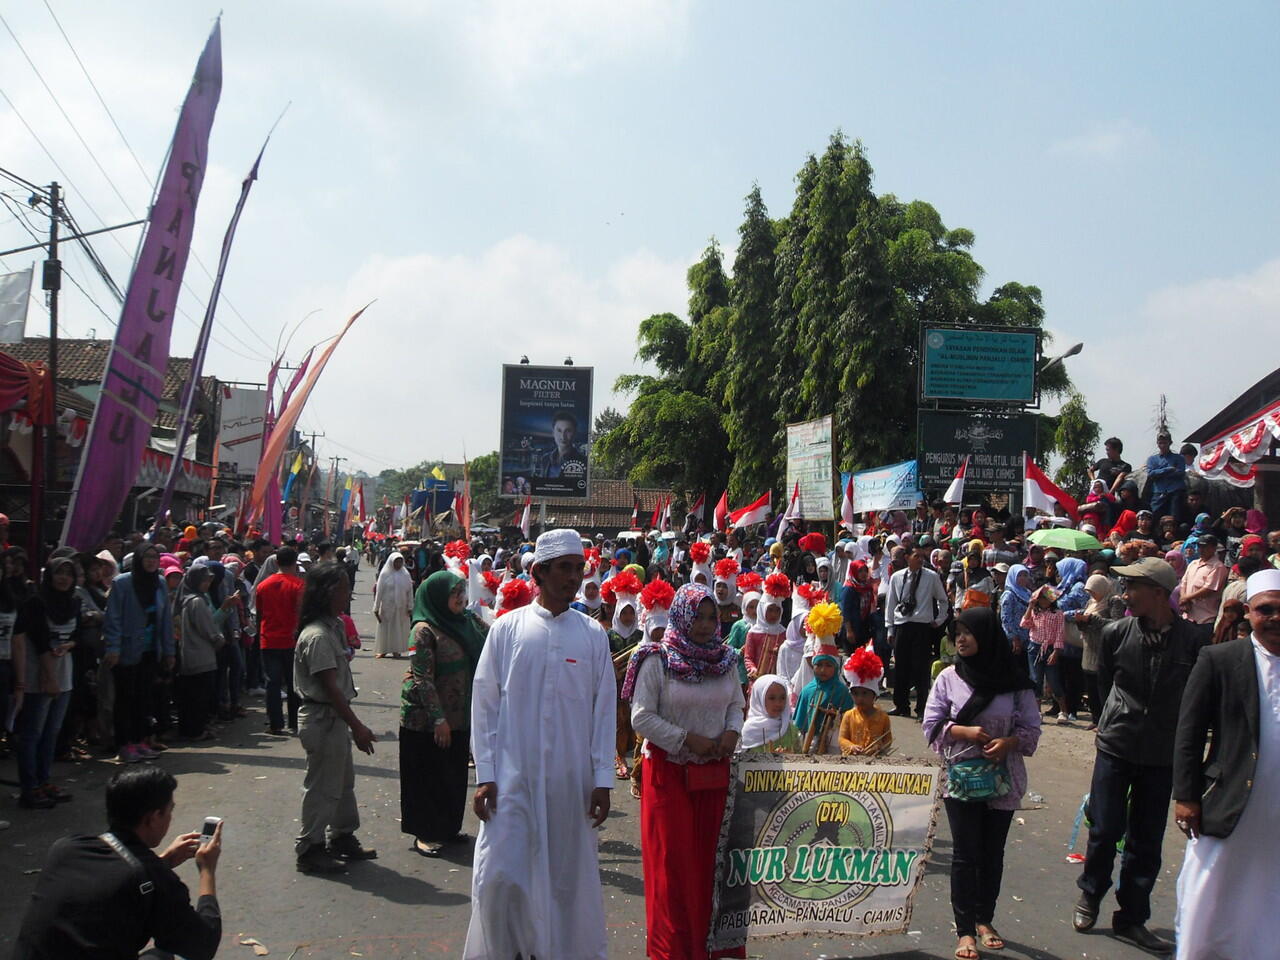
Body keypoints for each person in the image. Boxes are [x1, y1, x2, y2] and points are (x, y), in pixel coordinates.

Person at [464, 529, 615, 960]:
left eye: (578, 569)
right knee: (501, 877)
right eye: (564, 568)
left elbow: (603, 712)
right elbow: (486, 702)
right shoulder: (508, 629)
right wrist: (486, 774)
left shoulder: (591, 634)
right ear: (539, 572)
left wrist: (601, 778)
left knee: (566, 880)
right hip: (513, 778)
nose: (573, 578)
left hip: (571, 782)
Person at [1073, 557, 1207, 954]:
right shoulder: (1116, 633)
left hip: (1163, 752)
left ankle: (1132, 917)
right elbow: (1107, 683)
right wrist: (1112, 720)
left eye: (1133, 588)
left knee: (1146, 839)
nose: (1125, 594)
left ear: (1159, 594)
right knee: (1105, 827)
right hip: (1117, 744)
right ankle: (1091, 893)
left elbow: (1197, 698)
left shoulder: (1194, 641)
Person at [625, 581, 745, 960]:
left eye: (712, 617)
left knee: (716, 868)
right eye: (699, 616)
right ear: (681, 615)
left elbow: (736, 704)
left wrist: (731, 732)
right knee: (674, 873)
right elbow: (641, 718)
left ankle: (714, 951)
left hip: (716, 776)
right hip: (669, 775)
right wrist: (685, 739)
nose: (707, 624)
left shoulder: (725, 658)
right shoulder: (656, 659)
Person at [1172, 568, 1280, 958]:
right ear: (1248, 613)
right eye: (1266, 610)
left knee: (1269, 894)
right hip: (1230, 798)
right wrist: (1186, 796)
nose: (1275, 618)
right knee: (1211, 890)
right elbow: (1189, 732)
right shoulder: (1220, 658)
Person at [923, 606, 1040, 960]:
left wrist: (1008, 744)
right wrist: (964, 731)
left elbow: (1032, 729)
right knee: (965, 854)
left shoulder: (1016, 681)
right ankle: (965, 931)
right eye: (957, 632)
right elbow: (931, 725)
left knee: (992, 854)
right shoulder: (947, 678)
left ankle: (985, 919)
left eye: (968, 632)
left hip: (1002, 779)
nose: (960, 638)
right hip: (961, 780)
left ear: (986, 636)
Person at [13, 763, 222, 960]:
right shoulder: (154, 879)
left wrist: (162, 861)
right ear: (153, 817)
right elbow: (204, 945)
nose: (170, 818)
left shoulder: (66, 848)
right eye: (169, 811)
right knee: (162, 956)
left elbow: (111, 882)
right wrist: (207, 870)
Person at [293, 562, 379, 874]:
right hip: (323, 718)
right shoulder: (317, 636)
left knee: (343, 783)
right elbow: (330, 688)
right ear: (330, 592)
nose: (348, 593)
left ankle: (342, 836)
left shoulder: (335, 626)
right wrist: (358, 726)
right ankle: (310, 847)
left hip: (334, 719)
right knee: (322, 786)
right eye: (343, 587)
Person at [401, 570, 487, 857]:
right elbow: (422, 679)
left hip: (460, 713)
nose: (460, 598)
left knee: (452, 773)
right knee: (427, 774)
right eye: (454, 594)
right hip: (426, 719)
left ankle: (449, 827)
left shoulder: (467, 622)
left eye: (461, 592)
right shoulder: (424, 630)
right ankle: (425, 833)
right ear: (438, 596)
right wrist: (438, 719)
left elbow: (495, 638)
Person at [14, 557, 80, 807]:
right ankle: (29, 788)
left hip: (64, 675)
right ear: (49, 575)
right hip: (39, 677)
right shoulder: (36, 603)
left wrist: (70, 644)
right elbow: (39, 641)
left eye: (68, 573)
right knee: (33, 733)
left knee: (51, 733)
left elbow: (78, 634)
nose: (63, 578)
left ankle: (44, 781)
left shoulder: (73, 602)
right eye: (59, 573)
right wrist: (49, 678)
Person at [102, 543, 174, 764]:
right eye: (147, 557)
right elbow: (112, 617)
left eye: (155, 557)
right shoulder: (122, 583)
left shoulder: (159, 583)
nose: (151, 561)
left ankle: (141, 740)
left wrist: (169, 651)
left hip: (151, 650)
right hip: (126, 650)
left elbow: (166, 620)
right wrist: (113, 648)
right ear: (138, 560)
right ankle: (124, 745)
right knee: (125, 699)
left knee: (144, 698)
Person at [884, 544, 949, 718]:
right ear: (907, 557)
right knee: (901, 667)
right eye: (916, 556)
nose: (920, 559)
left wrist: (939, 619)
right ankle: (901, 705)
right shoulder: (897, 577)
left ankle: (922, 708)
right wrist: (890, 629)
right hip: (902, 625)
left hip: (922, 626)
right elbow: (890, 604)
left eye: (922, 556)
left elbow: (943, 600)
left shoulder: (931, 577)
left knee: (920, 669)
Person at [176, 566, 237, 741]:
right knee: (198, 696)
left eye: (209, 580)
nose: (207, 584)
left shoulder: (190, 599)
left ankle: (192, 728)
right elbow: (208, 628)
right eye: (204, 580)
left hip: (192, 653)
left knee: (193, 695)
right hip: (200, 654)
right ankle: (196, 730)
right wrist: (219, 639)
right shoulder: (197, 601)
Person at [254, 547, 304, 736]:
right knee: (293, 683)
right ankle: (294, 722)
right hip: (291, 640)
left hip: (268, 639)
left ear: (276, 563)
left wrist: (260, 634)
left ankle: (275, 723)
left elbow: (259, 614)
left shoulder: (263, 585)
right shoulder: (298, 585)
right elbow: (301, 613)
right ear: (295, 562)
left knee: (272, 683)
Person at [793, 645, 853, 754]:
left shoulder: (843, 691)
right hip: (810, 741)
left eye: (828, 665)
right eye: (818, 665)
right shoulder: (807, 691)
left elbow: (850, 719)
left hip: (834, 740)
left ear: (835, 668)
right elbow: (800, 723)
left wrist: (837, 716)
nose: (822, 670)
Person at [838, 648, 891, 755]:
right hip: (852, 760)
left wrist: (880, 746)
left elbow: (888, 739)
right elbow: (842, 739)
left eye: (865, 693)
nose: (860, 698)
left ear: (874, 695)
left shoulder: (883, 717)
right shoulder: (849, 715)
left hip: (875, 761)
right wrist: (851, 746)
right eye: (856, 694)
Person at [737, 674, 801, 753]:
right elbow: (740, 762)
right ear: (759, 699)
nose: (778, 703)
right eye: (772, 698)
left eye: (783, 698)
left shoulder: (790, 730)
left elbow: (800, 759)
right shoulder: (748, 731)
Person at [1179, 535, 1227, 625]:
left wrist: (1186, 598)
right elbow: (1183, 583)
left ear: (1213, 548)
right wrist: (1183, 598)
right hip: (1187, 616)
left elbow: (1208, 590)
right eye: (1199, 546)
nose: (1201, 549)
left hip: (1205, 618)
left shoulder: (1218, 566)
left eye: (1205, 547)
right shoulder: (1193, 563)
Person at [373, 552, 413, 658]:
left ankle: (396, 650)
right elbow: (379, 591)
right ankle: (383, 650)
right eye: (396, 561)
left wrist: (410, 607)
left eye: (400, 561)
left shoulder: (405, 574)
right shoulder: (384, 574)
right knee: (385, 628)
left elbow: (410, 591)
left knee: (398, 630)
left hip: (401, 607)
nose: (399, 564)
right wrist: (376, 608)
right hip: (387, 606)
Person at [534, 409, 587, 478]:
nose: (563, 436)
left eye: (568, 431)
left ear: (574, 433)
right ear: (553, 432)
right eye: (559, 430)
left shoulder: (583, 461)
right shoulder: (545, 458)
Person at [1145, 432, 1186, 522]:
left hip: (1174, 491)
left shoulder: (1179, 458)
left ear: (1170, 443)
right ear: (1157, 443)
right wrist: (1168, 469)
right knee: (1154, 516)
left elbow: (1180, 472)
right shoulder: (1152, 459)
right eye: (1160, 443)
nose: (1162, 445)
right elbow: (1151, 473)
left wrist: (1159, 473)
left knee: (1174, 518)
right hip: (1159, 492)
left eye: (1165, 443)